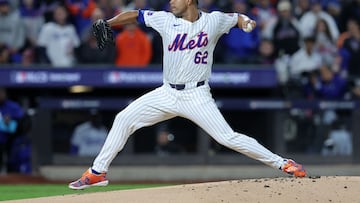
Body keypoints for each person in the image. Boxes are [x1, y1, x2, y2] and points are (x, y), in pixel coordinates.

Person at [69, 0, 306, 190]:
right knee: (123, 118)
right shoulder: (165, 19)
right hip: (167, 92)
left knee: (228, 137)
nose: (171, 2)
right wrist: (109, 22)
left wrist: (245, 22)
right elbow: (136, 14)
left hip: (197, 95)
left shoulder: (213, 21)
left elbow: (236, 18)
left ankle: (283, 163)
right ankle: (97, 173)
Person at [0, 88, 24, 173]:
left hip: (10, 138)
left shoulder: (13, 106)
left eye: (1, 93)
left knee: (11, 160)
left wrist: (11, 119)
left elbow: (23, 121)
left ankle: (11, 179)